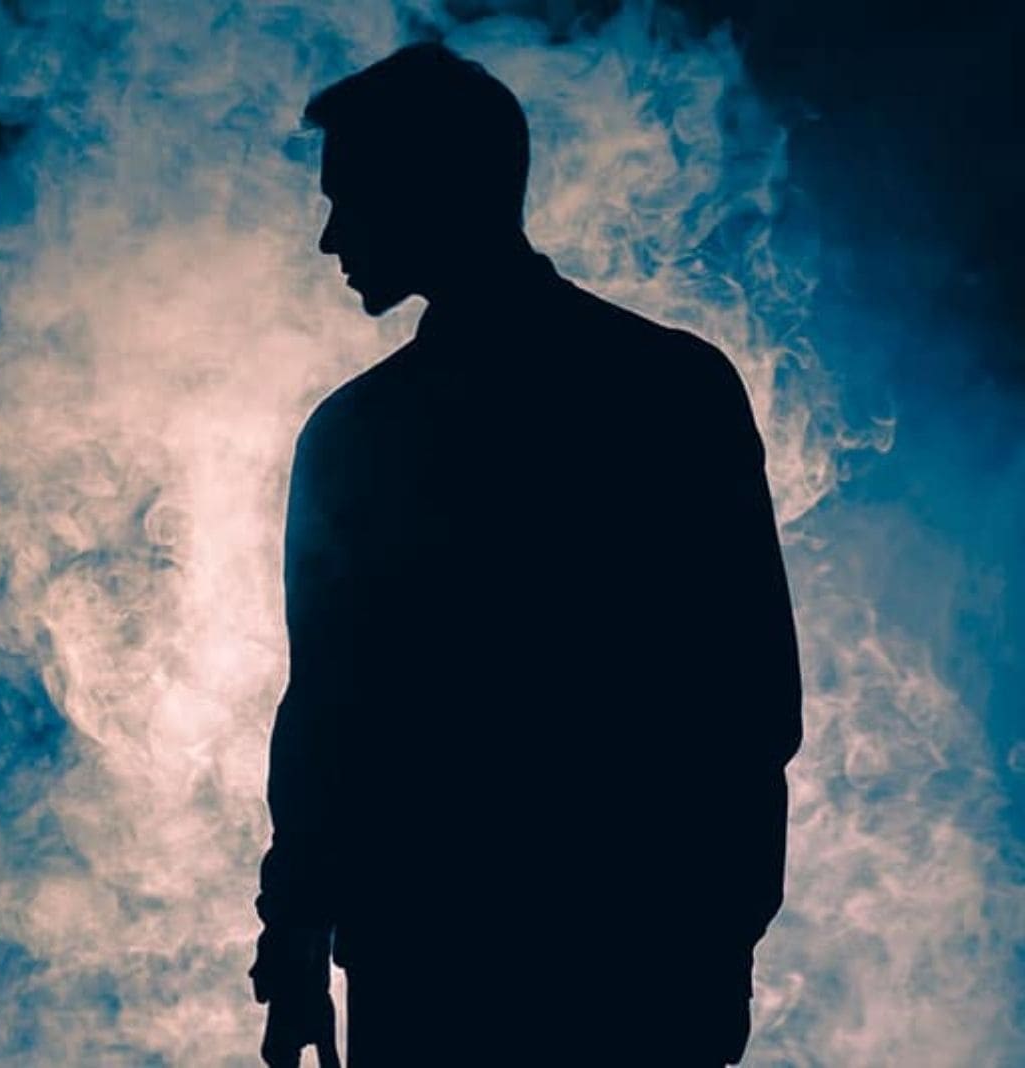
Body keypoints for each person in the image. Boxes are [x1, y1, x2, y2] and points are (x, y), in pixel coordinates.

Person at [248, 42, 804, 1067]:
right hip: (634, 968)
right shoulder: (671, 388)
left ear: (429, 191)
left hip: (438, 972)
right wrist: (716, 945)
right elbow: (749, 699)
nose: (328, 237)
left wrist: (297, 933)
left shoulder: (361, 436)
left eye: (350, 198)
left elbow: (329, 711)